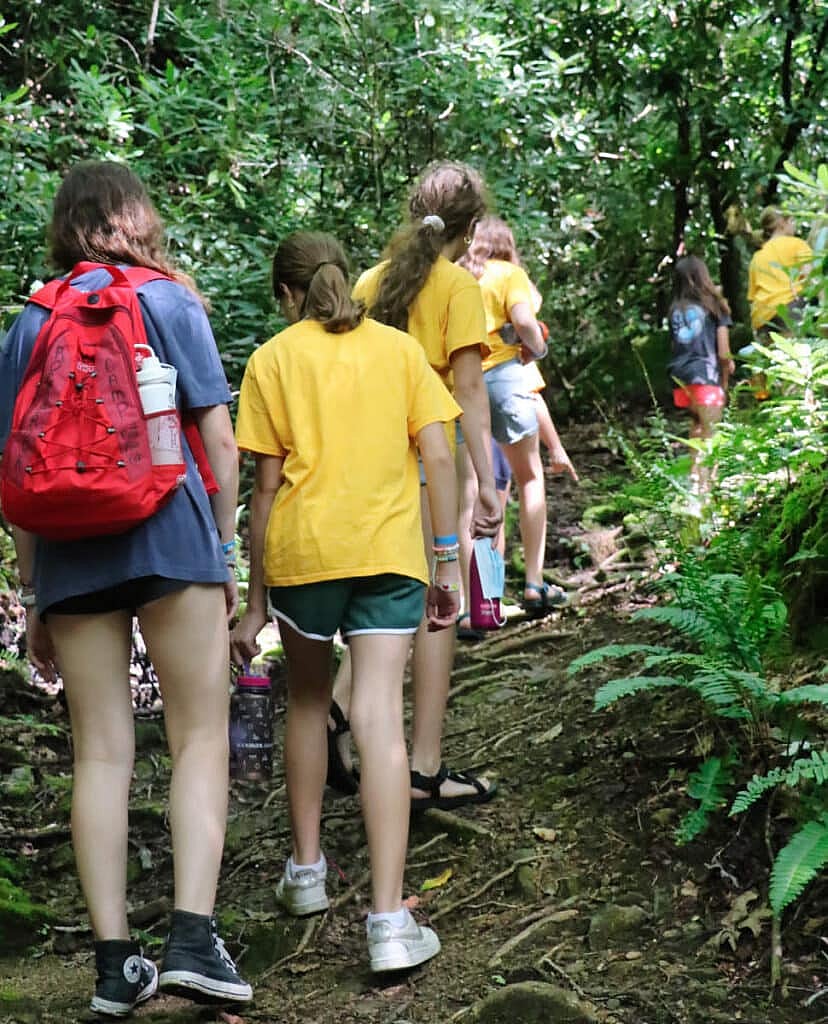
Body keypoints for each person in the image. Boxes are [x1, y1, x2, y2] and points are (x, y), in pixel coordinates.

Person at [0, 161, 251, 1015]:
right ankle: (193, 941)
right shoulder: (170, 301)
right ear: (137, 219)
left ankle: (115, 965)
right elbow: (220, 444)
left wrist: (35, 590)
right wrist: (223, 552)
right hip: (172, 533)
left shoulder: (31, 321)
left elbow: (16, 473)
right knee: (199, 736)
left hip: (70, 554)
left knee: (101, 752)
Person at [230, 232, 462, 971]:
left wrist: (254, 602)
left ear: (286, 294)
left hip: (305, 556)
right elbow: (438, 455)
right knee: (378, 719)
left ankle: (305, 874)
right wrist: (447, 561)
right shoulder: (400, 352)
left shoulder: (271, 359)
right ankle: (389, 922)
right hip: (389, 554)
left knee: (307, 701)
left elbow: (265, 489)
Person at [327, 160, 501, 811]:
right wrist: (488, 480)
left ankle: (337, 710)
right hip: (428, 467)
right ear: (471, 228)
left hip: (369, 467)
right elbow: (470, 390)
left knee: (385, 601)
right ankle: (423, 769)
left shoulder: (368, 283)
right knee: (438, 603)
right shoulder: (458, 287)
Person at [457, 216, 562, 620]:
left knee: (470, 493)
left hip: (462, 380)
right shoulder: (508, 274)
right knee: (529, 477)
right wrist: (537, 349)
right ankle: (534, 583)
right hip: (504, 377)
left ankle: (478, 603)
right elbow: (524, 323)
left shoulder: (454, 278)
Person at [667, 255, 734, 485]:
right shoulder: (716, 307)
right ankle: (707, 487)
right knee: (712, 434)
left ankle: (694, 482)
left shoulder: (674, 309)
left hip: (680, 378)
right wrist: (725, 379)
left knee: (696, 429)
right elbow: (724, 353)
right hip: (706, 376)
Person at [748, 206, 813, 341]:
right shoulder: (797, 244)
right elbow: (809, 277)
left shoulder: (757, 257)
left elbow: (752, 296)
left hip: (762, 317)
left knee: (773, 353)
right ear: (782, 223)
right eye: (792, 221)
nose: (794, 225)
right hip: (789, 310)